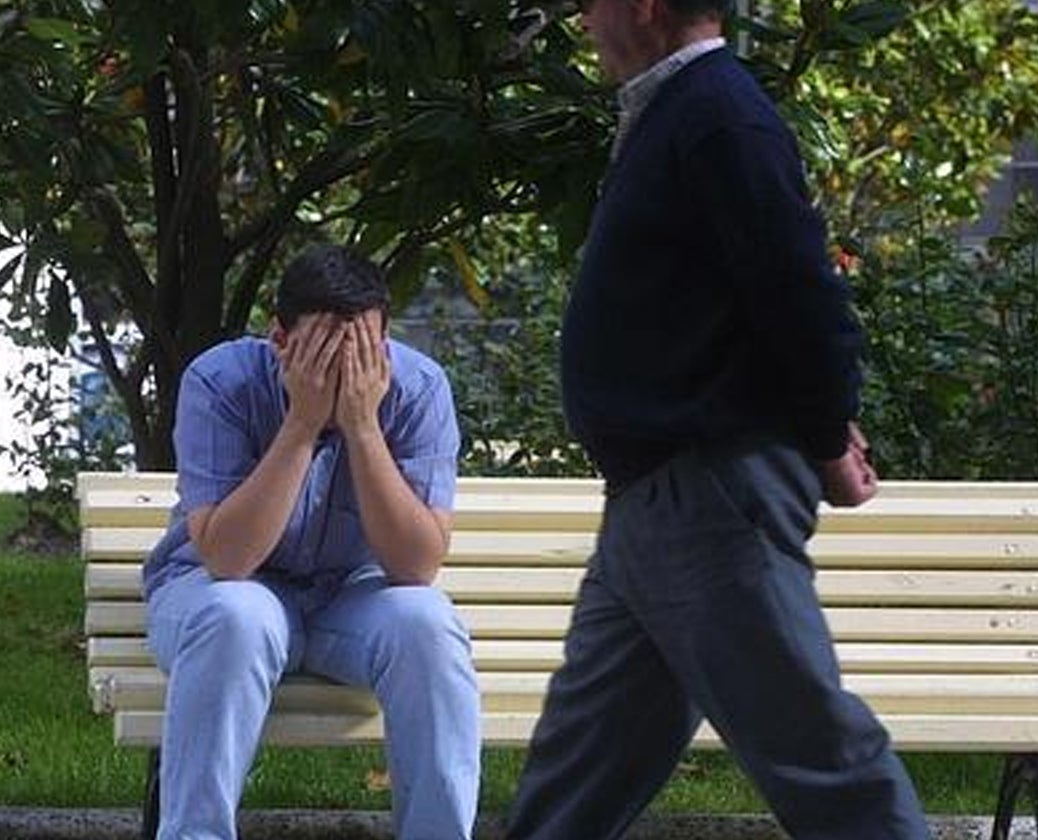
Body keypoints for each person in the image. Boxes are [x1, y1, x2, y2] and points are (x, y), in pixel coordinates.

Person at [504, 1, 930, 838]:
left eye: (593, 2)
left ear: (649, 5)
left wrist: (824, 436)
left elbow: (801, 295)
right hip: (654, 501)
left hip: (706, 494)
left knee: (820, 755)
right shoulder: (680, 112)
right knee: (580, 767)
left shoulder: (720, 117)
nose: (584, 21)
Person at [142, 243, 480, 840]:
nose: (348, 369)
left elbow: (415, 566)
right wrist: (301, 424)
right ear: (279, 338)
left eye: (363, 351)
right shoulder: (219, 383)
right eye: (326, 351)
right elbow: (228, 558)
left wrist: (363, 426)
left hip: (349, 599)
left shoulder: (419, 389)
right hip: (222, 592)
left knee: (429, 620)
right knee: (235, 614)